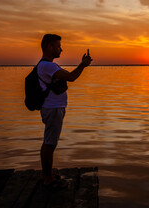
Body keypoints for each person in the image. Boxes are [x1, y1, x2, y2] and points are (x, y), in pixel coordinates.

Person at [37, 34, 92, 189]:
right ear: (49, 46)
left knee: (48, 141)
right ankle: (48, 178)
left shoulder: (47, 65)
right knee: (50, 143)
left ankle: (46, 174)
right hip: (53, 109)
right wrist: (83, 65)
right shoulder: (48, 66)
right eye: (58, 46)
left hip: (53, 108)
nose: (61, 49)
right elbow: (71, 77)